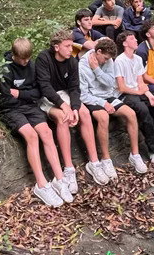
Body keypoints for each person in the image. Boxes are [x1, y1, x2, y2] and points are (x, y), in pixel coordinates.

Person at [0, 38, 71, 207]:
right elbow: (5, 97)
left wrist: (21, 94)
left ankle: (59, 178)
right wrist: (23, 94)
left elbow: (37, 92)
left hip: (29, 106)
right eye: (22, 59)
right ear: (14, 55)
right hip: (11, 109)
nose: (25, 62)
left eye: (28, 58)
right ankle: (41, 184)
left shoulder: (31, 64)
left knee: (46, 132)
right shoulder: (3, 69)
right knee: (31, 136)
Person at [35, 29, 110, 191]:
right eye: (67, 46)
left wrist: (75, 107)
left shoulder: (72, 61)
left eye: (71, 45)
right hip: (48, 96)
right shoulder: (43, 58)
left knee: (84, 113)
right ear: (56, 47)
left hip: (66, 95)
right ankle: (69, 169)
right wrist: (64, 106)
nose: (71, 49)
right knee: (63, 117)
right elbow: (44, 87)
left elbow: (75, 88)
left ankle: (94, 162)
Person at [79, 37, 148, 175]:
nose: (107, 61)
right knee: (103, 117)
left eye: (108, 59)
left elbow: (111, 83)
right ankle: (106, 159)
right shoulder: (82, 65)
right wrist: (102, 103)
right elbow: (83, 95)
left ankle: (135, 155)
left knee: (131, 114)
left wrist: (97, 69)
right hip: (93, 99)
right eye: (104, 58)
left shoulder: (108, 60)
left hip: (108, 95)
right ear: (98, 51)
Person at [113, 30, 154, 167]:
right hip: (126, 94)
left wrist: (149, 95)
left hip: (139, 91)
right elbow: (121, 87)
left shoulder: (138, 59)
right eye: (132, 39)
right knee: (143, 110)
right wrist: (139, 92)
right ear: (124, 43)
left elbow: (140, 82)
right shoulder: (119, 61)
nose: (135, 41)